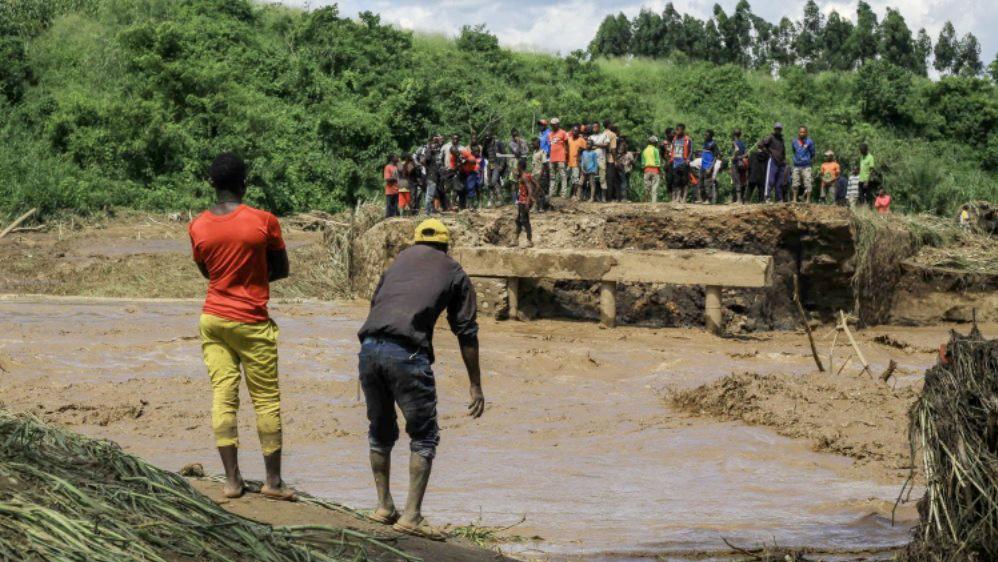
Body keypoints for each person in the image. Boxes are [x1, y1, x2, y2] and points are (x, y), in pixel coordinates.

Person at [357, 219, 485, 541]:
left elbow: (376, 306)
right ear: (446, 245)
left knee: (380, 430)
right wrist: (475, 385)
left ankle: (384, 506)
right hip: (407, 353)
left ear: (415, 242)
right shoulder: (454, 272)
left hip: (369, 348)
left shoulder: (396, 264)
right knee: (424, 435)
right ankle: (412, 515)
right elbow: (466, 330)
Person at [188, 153, 294, 502]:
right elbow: (281, 269)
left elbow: (209, 273)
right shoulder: (264, 221)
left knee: (223, 395)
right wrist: (253, 275)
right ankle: (273, 483)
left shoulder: (198, 226)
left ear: (211, 184)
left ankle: (233, 482)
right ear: (244, 183)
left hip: (213, 319)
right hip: (251, 320)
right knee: (265, 400)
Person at [761, 123, 787, 202]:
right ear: (774, 129)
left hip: (781, 162)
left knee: (779, 182)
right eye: (776, 129)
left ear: (781, 130)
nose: (778, 130)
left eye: (779, 129)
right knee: (771, 180)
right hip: (773, 160)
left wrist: (784, 160)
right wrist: (768, 153)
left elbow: (783, 151)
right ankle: (767, 197)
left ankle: (779, 199)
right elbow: (761, 144)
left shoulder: (781, 139)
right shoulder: (771, 137)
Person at [513, 159, 536, 247]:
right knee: (519, 220)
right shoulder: (525, 175)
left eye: (517, 166)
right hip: (522, 201)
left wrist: (527, 201)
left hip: (524, 201)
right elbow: (536, 186)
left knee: (525, 221)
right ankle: (516, 240)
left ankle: (529, 241)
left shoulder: (524, 177)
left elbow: (530, 189)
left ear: (519, 166)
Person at [791, 126, 815, 203]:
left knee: (807, 182)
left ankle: (808, 200)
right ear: (798, 132)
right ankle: (794, 199)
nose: (802, 133)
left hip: (806, 166)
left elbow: (812, 153)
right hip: (796, 165)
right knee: (795, 182)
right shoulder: (794, 141)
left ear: (806, 133)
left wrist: (806, 159)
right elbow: (794, 151)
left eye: (804, 132)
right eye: (801, 132)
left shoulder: (809, 142)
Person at [669, 124, 693, 202]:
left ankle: (684, 197)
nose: (677, 131)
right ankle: (677, 197)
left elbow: (691, 151)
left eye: (679, 130)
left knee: (685, 181)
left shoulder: (687, 139)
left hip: (684, 162)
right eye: (676, 130)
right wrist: (671, 159)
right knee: (676, 181)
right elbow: (672, 150)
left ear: (683, 130)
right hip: (676, 162)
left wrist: (688, 159)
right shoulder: (674, 139)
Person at [548, 118, 569, 199]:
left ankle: (563, 194)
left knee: (563, 176)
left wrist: (566, 155)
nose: (553, 126)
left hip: (561, 157)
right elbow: (550, 146)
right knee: (552, 176)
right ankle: (551, 193)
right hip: (552, 158)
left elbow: (567, 145)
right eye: (551, 125)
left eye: (554, 124)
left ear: (558, 124)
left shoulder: (563, 132)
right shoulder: (550, 134)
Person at [698, 130, 718, 204]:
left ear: (711, 136)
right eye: (705, 135)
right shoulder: (705, 143)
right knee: (700, 184)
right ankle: (703, 199)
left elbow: (716, 157)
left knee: (707, 184)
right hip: (702, 166)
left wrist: (710, 167)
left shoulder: (713, 144)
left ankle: (709, 200)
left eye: (707, 135)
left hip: (708, 167)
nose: (705, 136)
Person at [567, 127, 587, 200]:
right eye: (573, 131)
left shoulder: (582, 140)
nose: (574, 132)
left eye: (576, 131)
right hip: (569, 162)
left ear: (579, 132)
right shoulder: (569, 139)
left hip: (576, 162)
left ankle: (574, 195)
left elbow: (585, 150)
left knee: (575, 179)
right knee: (569, 178)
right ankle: (568, 194)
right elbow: (567, 148)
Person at [642, 136, 662, 203]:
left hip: (646, 170)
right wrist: (660, 171)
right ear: (655, 143)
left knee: (647, 187)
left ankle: (646, 201)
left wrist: (644, 170)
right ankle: (653, 203)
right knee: (654, 188)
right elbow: (657, 162)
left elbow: (643, 163)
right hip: (655, 170)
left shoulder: (644, 150)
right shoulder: (656, 150)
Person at [729, 129, 747, 204]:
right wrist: (741, 156)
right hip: (742, 164)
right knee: (742, 180)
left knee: (736, 181)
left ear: (734, 135)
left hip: (735, 163)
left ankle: (738, 200)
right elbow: (746, 154)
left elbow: (736, 149)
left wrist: (734, 156)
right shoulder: (743, 143)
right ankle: (742, 199)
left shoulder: (734, 142)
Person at [530, 139, 547, 211]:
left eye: (533, 144)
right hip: (534, 174)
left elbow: (544, 164)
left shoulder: (542, 152)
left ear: (537, 144)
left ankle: (541, 207)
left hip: (539, 174)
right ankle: (536, 206)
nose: (532, 145)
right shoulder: (534, 152)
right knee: (535, 191)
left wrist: (541, 174)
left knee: (540, 191)